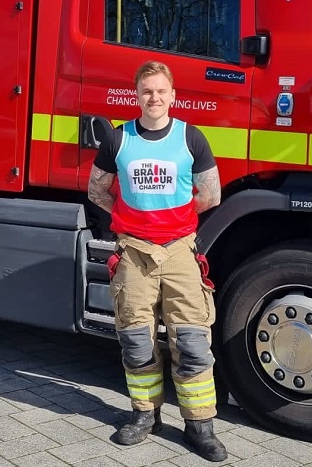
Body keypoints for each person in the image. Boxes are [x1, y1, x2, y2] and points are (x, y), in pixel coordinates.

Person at [87, 61, 226, 462]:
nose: (154, 98)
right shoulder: (118, 139)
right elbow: (97, 190)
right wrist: (131, 221)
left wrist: (173, 223)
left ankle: (200, 426)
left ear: (173, 96)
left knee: (193, 341)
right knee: (136, 340)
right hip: (133, 252)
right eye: (147, 91)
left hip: (180, 251)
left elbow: (209, 195)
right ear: (136, 95)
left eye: (161, 91)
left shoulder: (191, 138)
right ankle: (146, 416)